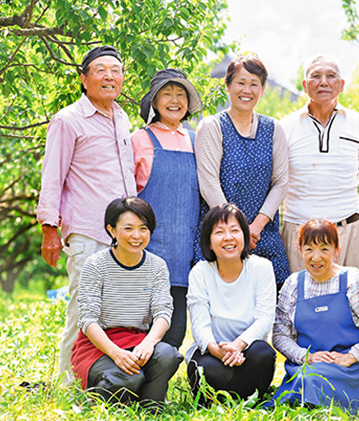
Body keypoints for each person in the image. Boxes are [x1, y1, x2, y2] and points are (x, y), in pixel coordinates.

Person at [36, 45, 137, 384]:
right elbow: (52, 176)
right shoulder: (68, 120)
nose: (109, 76)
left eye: (116, 70)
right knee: (84, 308)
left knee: (114, 312)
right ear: (84, 78)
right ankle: (67, 382)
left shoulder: (122, 118)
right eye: (100, 70)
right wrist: (49, 228)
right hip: (88, 232)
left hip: (123, 236)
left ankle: (97, 377)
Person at [270, 218, 359, 413]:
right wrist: (305, 356)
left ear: (337, 250)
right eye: (309, 249)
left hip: (345, 368)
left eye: (324, 249)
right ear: (300, 250)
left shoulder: (352, 280)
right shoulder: (293, 284)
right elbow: (279, 335)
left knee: (308, 384)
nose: (316, 257)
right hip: (306, 365)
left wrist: (353, 356)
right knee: (303, 382)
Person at [70, 197, 182, 405]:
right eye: (128, 228)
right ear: (111, 230)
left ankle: (151, 408)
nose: (137, 236)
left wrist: (149, 342)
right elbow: (87, 319)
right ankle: (94, 402)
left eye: (143, 228)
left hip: (137, 340)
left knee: (167, 355)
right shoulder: (95, 265)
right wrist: (116, 353)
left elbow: (163, 312)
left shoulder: (157, 266)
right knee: (129, 377)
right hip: (98, 346)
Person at [195, 53, 289, 285]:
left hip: (262, 234)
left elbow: (280, 182)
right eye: (241, 83)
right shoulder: (212, 126)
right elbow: (209, 184)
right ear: (227, 86)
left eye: (254, 84)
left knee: (274, 308)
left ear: (263, 89)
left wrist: (254, 228)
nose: (247, 90)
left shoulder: (273, 128)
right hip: (222, 235)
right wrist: (236, 231)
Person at [280, 55, 359, 274]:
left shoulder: (358, 123)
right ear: (305, 86)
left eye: (331, 76)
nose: (323, 82)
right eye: (316, 76)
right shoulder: (285, 126)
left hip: (348, 231)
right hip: (298, 234)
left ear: (341, 85)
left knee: (346, 304)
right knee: (301, 304)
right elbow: (277, 182)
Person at [132, 69, 202, 349]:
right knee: (138, 328)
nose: (175, 100)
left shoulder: (197, 140)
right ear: (153, 102)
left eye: (181, 94)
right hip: (144, 253)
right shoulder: (139, 139)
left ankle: (157, 390)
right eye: (167, 94)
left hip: (183, 253)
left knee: (174, 332)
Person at [186, 204, 276, 402]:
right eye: (219, 232)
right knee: (203, 369)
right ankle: (216, 401)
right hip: (212, 352)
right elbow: (200, 325)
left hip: (248, 352)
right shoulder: (200, 272)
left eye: (235, 230)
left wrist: (237, 345)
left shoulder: (262, 268)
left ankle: (251, 399)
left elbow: (265, 319)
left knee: (263, 353)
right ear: (209, 242)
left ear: (244, 236)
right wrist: (217, 351)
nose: (228, 237)